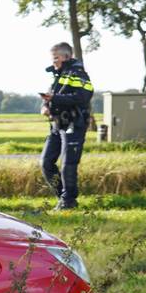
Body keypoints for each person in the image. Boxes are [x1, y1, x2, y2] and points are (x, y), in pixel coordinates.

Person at [40, 42, 93, 210]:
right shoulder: (58, 75)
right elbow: (51, 97)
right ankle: (63, 198)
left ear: (66, 56)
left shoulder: (79, 74)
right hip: (57, 124)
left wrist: (53, 99)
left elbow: (82, 97)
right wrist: (45, 107)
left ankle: (68, 201)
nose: (53, 61)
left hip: (73, 123)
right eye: (52, 58)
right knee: (46, 162)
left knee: (68, 165)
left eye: (56, 58)